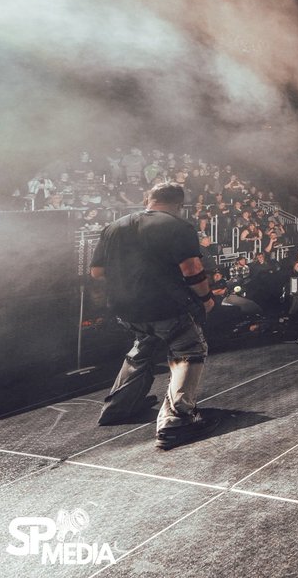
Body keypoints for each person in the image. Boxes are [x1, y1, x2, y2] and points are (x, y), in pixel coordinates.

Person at [89, 182, 221, 450]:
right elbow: (192, 268)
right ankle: (177, 421)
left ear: (148, 199)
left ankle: (117, 408)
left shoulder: (114, 226)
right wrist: (206, 298)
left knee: (144, 345)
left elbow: (97, 272)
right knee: (190, 349)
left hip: (125, 309)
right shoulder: (178, 226)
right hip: (165, 306)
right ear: (178, 205)